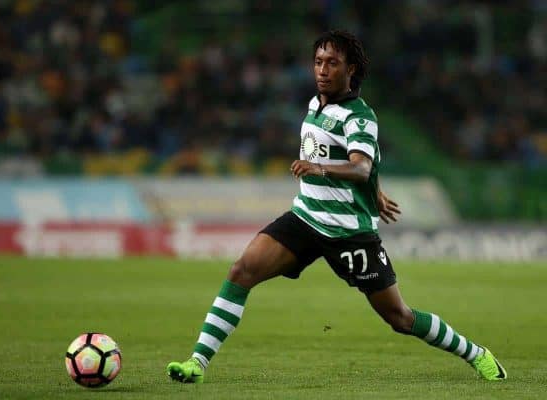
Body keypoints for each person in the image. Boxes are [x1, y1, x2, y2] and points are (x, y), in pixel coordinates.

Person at [166, 30, 507, 383]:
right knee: (241, 271)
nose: (322, 70)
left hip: (349, 233)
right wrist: (374, 192)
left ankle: (476, 354)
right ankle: (197, 364)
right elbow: (363, 164)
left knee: (400, 318)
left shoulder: (359, 117)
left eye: (332, 63)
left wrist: (322, 169)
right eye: (318, 62)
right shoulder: (316, 104)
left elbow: (360, 165)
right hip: (306, 218)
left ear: (352, 69)